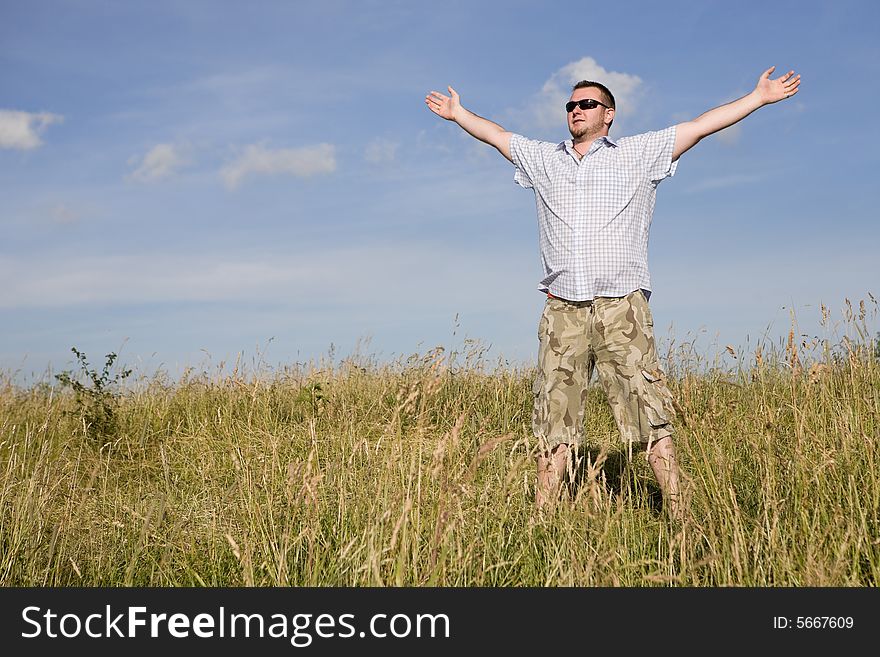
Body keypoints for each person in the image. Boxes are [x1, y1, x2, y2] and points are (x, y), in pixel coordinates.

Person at [425, 66, 800, 516]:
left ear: (609, 115)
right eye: (571, 105)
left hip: (621, 304)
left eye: (587, 104)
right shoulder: (545, 160)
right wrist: (459, 113)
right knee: (553, 415)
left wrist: (757, 97)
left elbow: (702, 125)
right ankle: (543, 515)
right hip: (562, 307)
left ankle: (679, 512)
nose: (576, 111)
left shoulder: (637, 154)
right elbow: (497, 134)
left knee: (648, 410)